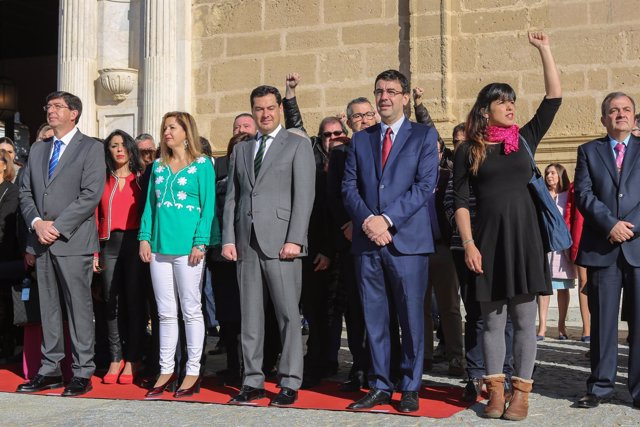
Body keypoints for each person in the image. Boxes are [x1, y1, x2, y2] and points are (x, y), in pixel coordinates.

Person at [453, 32, 561, 421]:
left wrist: (544, 50)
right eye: (503, 101)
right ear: (486, 109)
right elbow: (462, 202)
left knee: (523, 321)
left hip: (526, 241)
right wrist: (468, 244)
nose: (511, 106)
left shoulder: (526, 139)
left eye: (513, 101)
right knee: (491, 320)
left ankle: (522, 394)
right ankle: (494, 392)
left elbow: (553, 100)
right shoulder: (468, 149)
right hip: (488, 242)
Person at [342, 69, 439, 413]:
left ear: (404, 97)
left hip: (407, 243)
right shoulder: (360, 139)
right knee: (375, 318)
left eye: (392, 91)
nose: (384, 97)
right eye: (379, 91)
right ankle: (380, 384)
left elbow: (424, 186)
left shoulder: (424, 136)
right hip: (368, 243)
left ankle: (410, 385)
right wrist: (369, 220)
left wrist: (388, 219)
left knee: (412, 318)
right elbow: (349, 188)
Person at [222, 85, 315, 407]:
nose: (265, 114)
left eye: (270, 108)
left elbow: (304, 196)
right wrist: (229, 238)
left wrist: (295, 239)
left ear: (278, 108)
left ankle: (289, 381)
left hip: (282, 244)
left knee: (288, 315)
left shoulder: (296, 145)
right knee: (250, 316)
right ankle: (252, 381)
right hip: (246, 243)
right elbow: (233, 198)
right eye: (259, 109)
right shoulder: (242, 150)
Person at [17, 91, 106, 397]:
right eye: (48, 106)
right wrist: (37, 224)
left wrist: (58, 227)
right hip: (42, 241)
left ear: (74, 113)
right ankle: (50, 369)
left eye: (57, 107)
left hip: (73, 240)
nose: (50, 111)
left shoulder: (91, 148)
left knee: (78, 308)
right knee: (49, 308)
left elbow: (91, 194)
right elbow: (25, 192)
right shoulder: (39, 149)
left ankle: (83, 371)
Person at [138, 111, 215, 398]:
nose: (167, 132)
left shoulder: (203, 164)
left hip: (188, 248)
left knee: (191, 310)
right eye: (165, 127)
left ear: (186, 131)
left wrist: (201, 242)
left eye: (173, 127)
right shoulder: (157, 165)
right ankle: (166, 369)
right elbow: (149, 206)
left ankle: (193, 370)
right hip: (159, 246)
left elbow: (208, 208)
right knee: (165, 312)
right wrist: (144, 237)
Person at [574, 92, 640, 410]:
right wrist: (610, 225)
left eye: (626, 109)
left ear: (634, 115)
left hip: (638, 247)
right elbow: (583, 194)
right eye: (613, 110)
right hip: (602, 247)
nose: (620, 114)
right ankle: (599, 387)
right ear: (604, 119)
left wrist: (630, 227)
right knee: (602, 322)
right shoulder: (588, 151)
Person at [96, 130, 147, 385]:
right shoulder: (102, 179)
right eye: (113, 146)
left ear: (130, 149)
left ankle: (134, 358)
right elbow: (94, 216)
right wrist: (95, 251)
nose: (118, 150)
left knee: (134, 301)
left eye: (122, 145)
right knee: (110, 301)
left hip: (135, 242)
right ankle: (115, 358)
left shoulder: (141, 179)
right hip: (109, 245)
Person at [537, 163, 575, 341]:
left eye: (552, 173)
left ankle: (561, 325)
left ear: (560, 175)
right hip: (545, 247)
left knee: (562, 288)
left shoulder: (567, 196)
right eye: (547, 173)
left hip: (562, 249)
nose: (549, 176)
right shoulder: (542, 195)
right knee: (545, 289)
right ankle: (542, 326)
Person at [564, 182, 590, 341]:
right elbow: (568, 211)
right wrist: (567, 240)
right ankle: (586, 328)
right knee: (584, 283)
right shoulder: (575, 186)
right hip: (580, 238)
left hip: (605, 238)